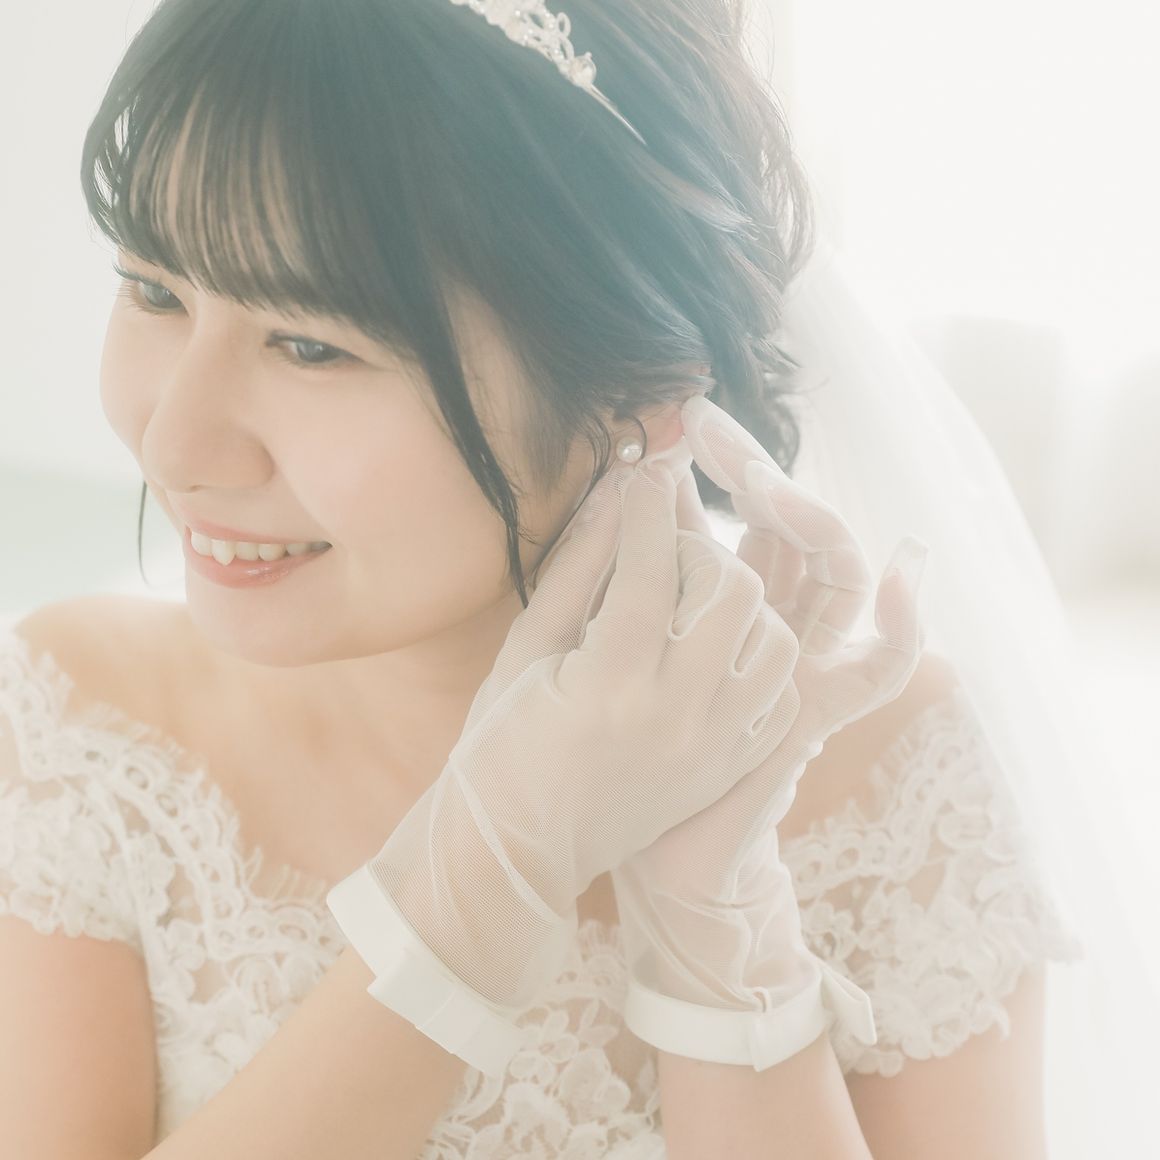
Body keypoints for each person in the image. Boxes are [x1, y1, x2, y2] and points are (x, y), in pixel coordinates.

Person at [1, 0, 1132, 1157]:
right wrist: (470, 896)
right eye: (153, 290)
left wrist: (718, 914)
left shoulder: (886, 769)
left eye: (311, 345)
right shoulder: (82, 725)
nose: (174, 443)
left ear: (633, 391)